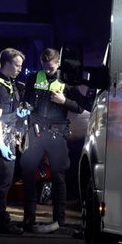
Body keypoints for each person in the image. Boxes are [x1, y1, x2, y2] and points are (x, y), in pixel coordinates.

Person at [20, 48, 89, 233]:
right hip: (35, 132)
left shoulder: (66, 82)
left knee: (59, 177)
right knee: (28, 175)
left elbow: (81, 107)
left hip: (57, 134)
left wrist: (64, 101)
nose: (47, 70)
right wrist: (25, 108)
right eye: (44, 67)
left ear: (57, 63)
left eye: (50, 67)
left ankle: (60, 220)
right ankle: (29, 219)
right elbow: (25, 100)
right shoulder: (34, 78)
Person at [0, 47, 29, 234]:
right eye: (17, 65)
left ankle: (1, 218)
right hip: (1, 136)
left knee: (6, 179)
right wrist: (1, 145)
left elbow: (7, 113)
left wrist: (18, 115)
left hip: (8, 134)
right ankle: (1, 221)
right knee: (3, 180)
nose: (20, 69)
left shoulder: (8, 83)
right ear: (6, 64)